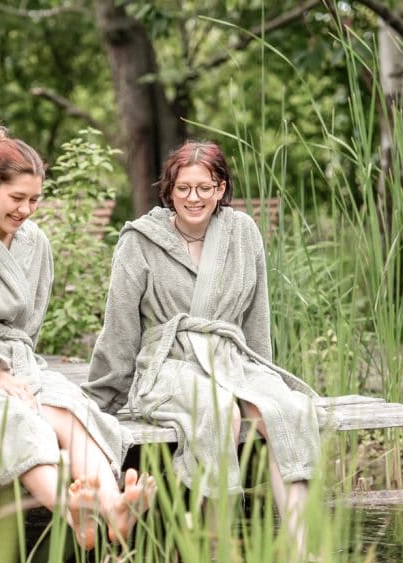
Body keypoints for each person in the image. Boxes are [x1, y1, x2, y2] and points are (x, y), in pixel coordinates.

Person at [0, 126, 154, 549]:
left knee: (74, 409)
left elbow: (30, 324)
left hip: (21, 367)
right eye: (17, 198)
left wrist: (17, 372)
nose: (26, 210)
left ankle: (114, 506)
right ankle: (72, 509)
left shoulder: (35, 243)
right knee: (19, 420)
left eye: (35, 200)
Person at [84, 140, 320, 541]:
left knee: (289, 408)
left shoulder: (243, 232)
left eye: (204, 188)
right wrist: (101, 400)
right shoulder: (140, 241)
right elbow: (119, 326)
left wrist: (263, 381)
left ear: (221, 188)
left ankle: (301, 547)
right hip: (169, 364)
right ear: (169, 190)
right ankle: (218, 543)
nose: (194, 198)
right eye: (183, 188)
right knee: (216, 408)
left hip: (231, 358)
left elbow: (256, 316)